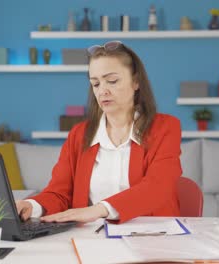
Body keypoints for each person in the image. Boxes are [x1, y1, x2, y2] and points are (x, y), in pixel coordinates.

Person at [16, 41, 182, 224]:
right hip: (91, 238)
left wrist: (99, 210)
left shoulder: (165, 127)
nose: (102, 91)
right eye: (95, 84)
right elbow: (59, 193)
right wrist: (32, 205)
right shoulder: (79, 134)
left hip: (152, 238)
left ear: (136, 82)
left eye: (112, 81)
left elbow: (158, 187)